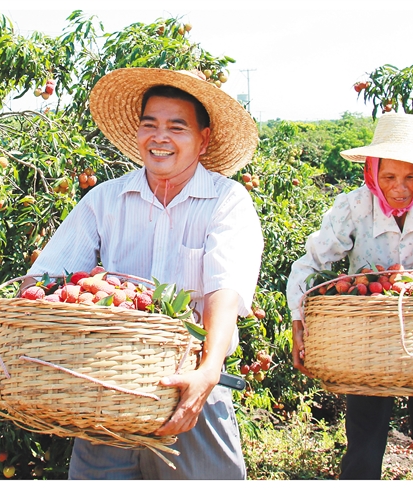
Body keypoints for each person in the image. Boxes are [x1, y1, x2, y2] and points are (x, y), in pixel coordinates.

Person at [20, 68, 263, 479]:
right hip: (108, 384)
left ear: (203, 139)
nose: (160, 137)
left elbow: (225, 289)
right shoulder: (106, 199)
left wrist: (208, 370)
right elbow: (42, 279)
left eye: (176, 127)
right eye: (149, 124)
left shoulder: (227, 201)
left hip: (191, 381)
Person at [286, 112, 413, 480]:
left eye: (410, 177)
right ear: (372, 172)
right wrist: (299, 321)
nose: (399, 187)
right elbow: (308, 266)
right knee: (363, 451)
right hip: (368, 342)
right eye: (388, 177)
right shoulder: (354, 206)